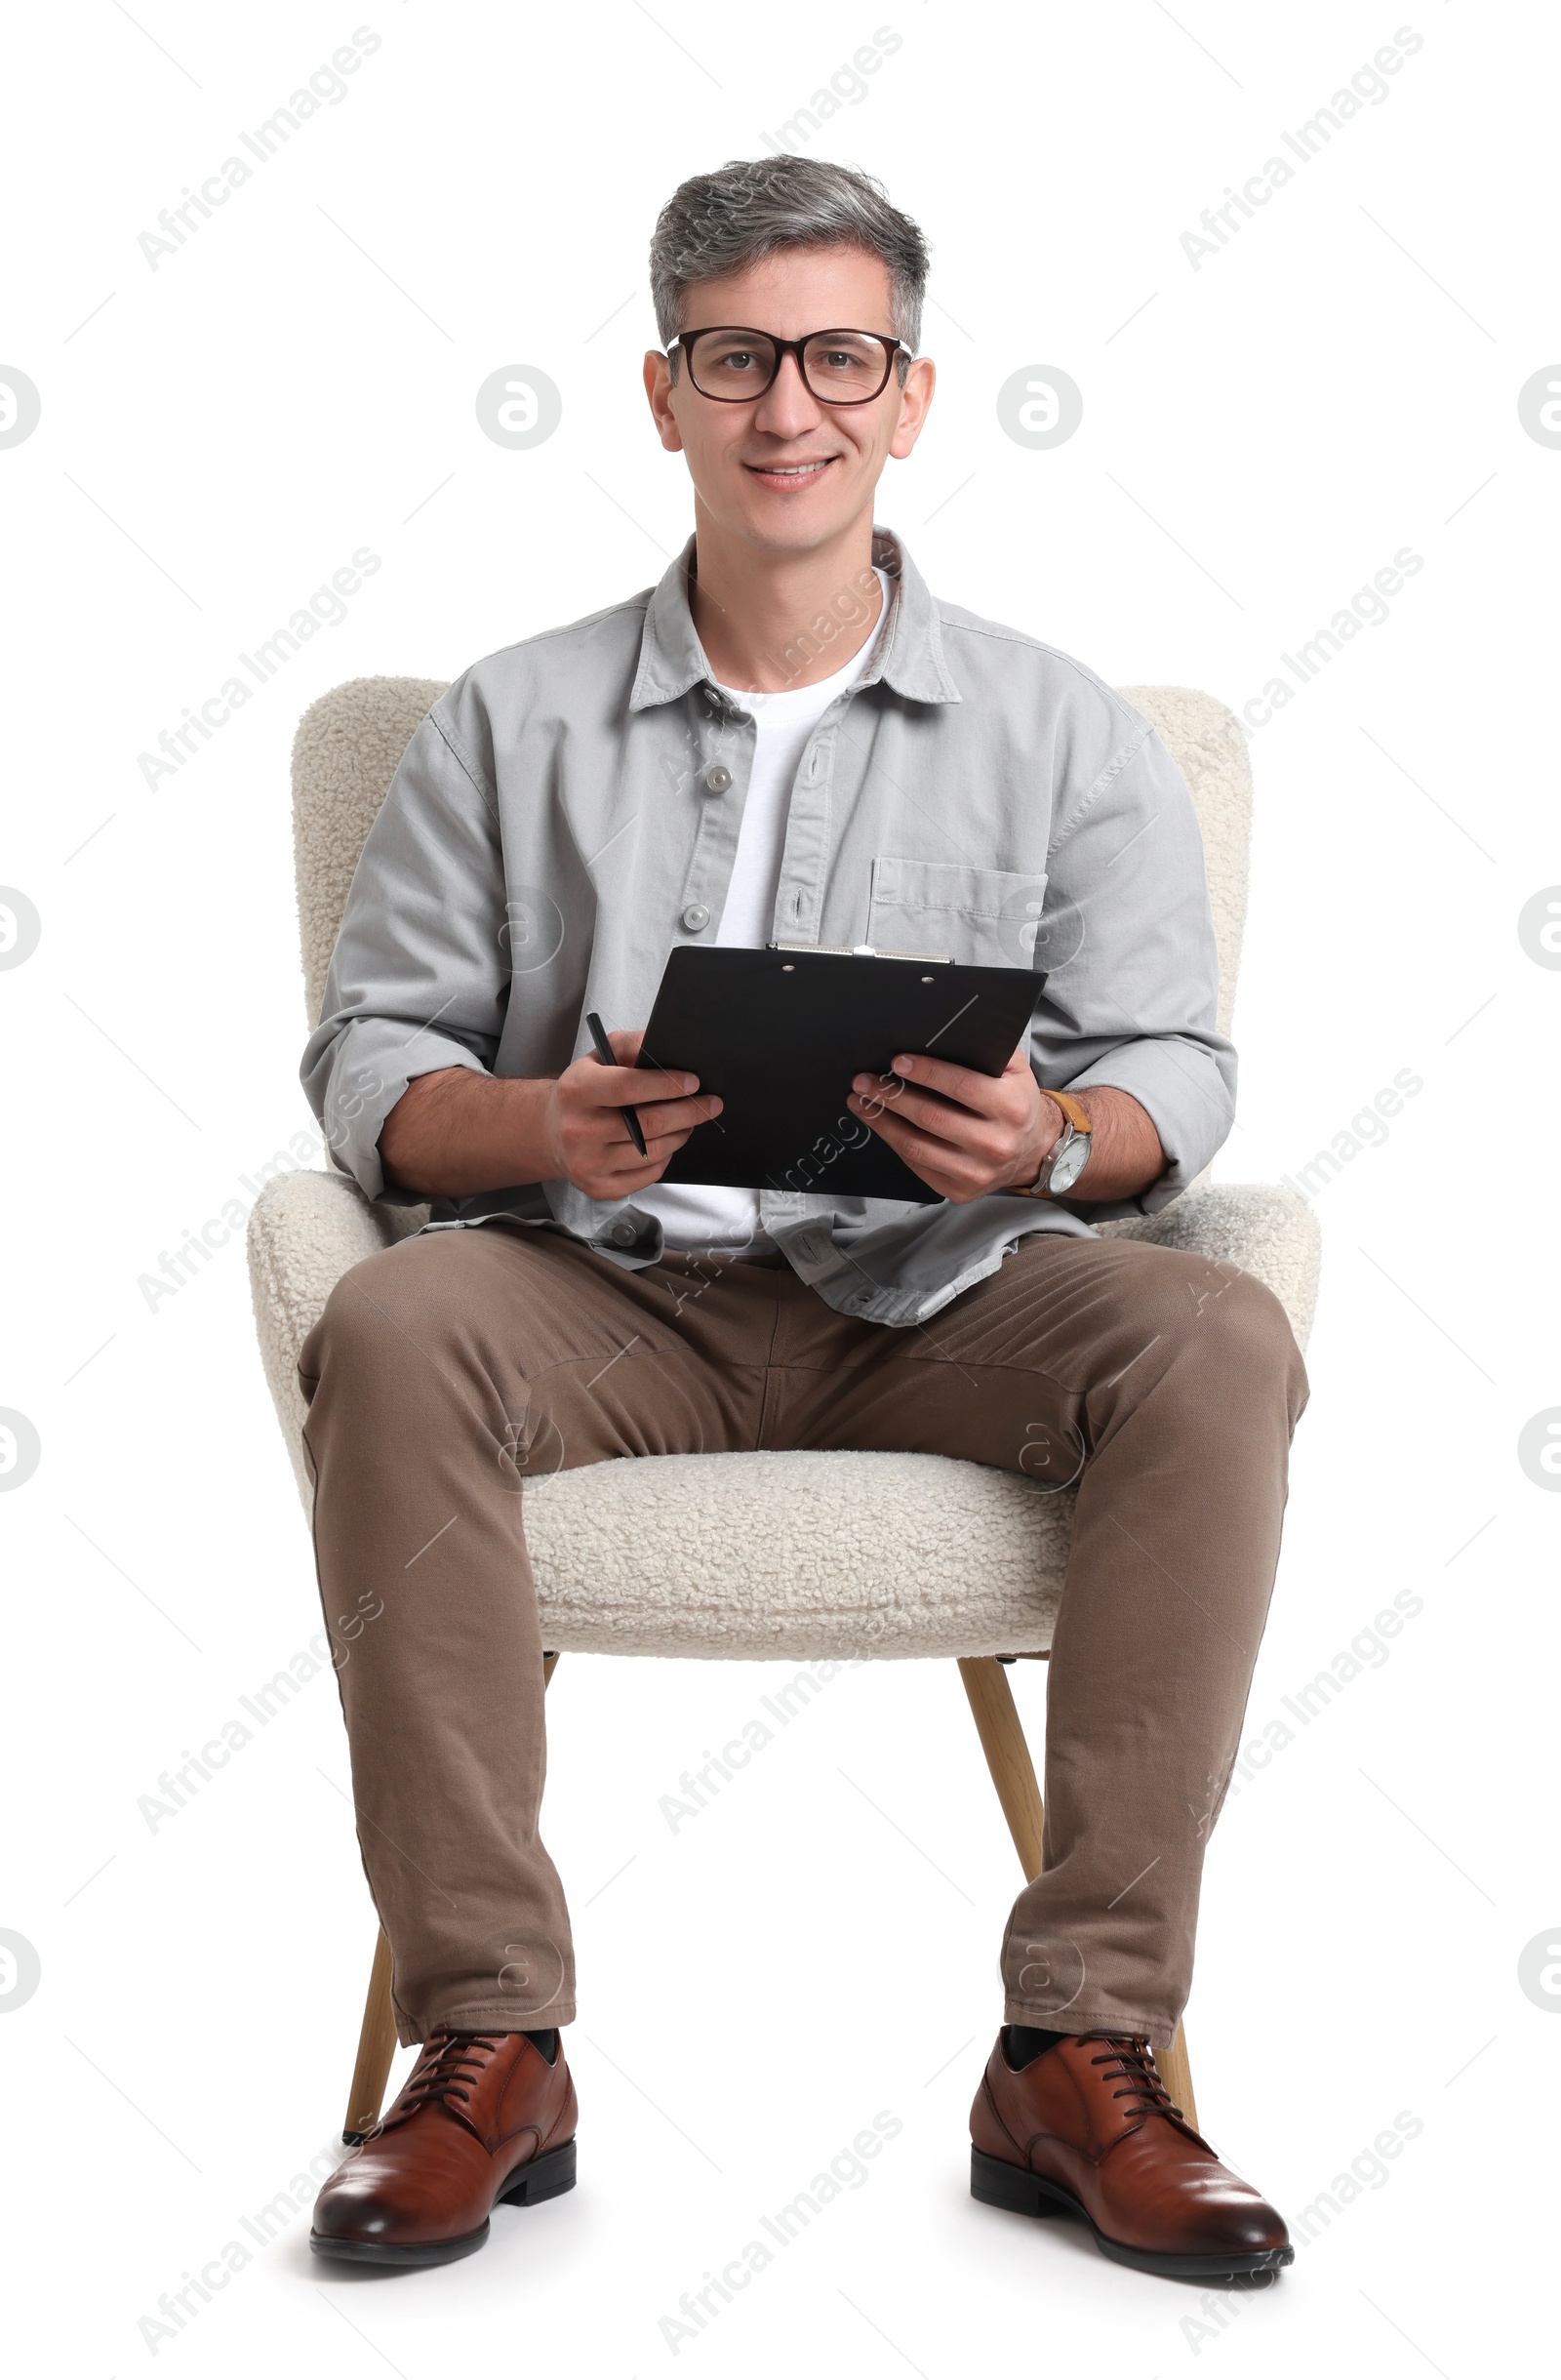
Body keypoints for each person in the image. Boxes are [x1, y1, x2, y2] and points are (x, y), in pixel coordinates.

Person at [299, 154, 1307, 2279]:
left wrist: (1052, 1142)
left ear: (910, 395)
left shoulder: (1060, 727)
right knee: (390, 1328)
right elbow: (368, 1060)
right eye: (735, 357)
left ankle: (1078, 2045)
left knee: (1211, 1336)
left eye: (836, 356)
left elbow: (1183, 1076)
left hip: (939, 1301)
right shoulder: (508, 716)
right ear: (661, 393)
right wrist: (532, 1126)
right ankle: (490, 2038)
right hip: (603, 1296)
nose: (788, 410)